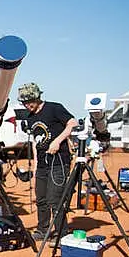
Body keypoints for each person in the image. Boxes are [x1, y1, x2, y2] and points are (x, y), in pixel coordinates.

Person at [19, 82, 78, 244]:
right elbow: (35, 142)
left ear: (37, 98)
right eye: (23, 102)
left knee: (54, 199)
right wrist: (36, 164)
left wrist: (58, 141)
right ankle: (42, 230)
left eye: (29, 101)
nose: (26, 105)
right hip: (43, 165)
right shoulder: (30, 117)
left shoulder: (54, 108)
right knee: (41, 199)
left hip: (58, 162)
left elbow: (73, 122)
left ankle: (62, 234)